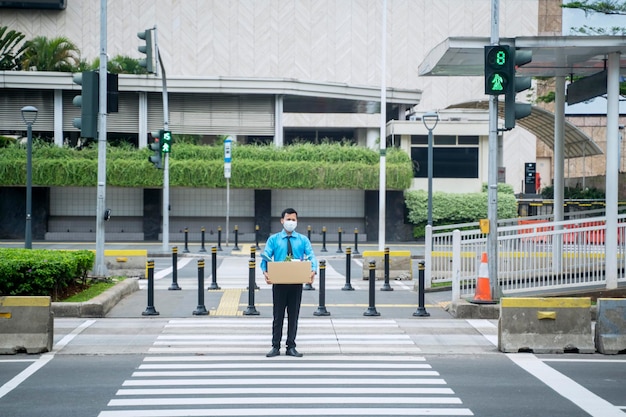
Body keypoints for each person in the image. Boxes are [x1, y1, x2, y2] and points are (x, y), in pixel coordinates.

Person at [260, 208, 317, 358]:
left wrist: (313, 270)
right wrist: (265, 272)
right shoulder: (274, 239)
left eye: (293, 220)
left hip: (296, 282)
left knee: (294, 315)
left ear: (296, 221)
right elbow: (265, 257)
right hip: (279, 283)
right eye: (288, 219)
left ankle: (291, 346)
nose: (291, 222)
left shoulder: (303, 240)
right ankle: (275, 346)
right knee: (278, 315)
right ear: (282, 220)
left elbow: (311, 256)